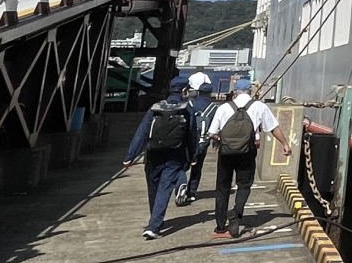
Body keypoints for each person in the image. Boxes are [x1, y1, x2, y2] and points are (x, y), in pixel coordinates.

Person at [205, 82, 291, 239]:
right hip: (247, 152)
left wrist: (224, 140)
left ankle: (220, 226)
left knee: (222, 188)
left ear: (235, 92)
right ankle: (236, 214)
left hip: (226, 153)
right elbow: (273, 127)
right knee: (244, 185)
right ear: (250, 91)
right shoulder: (259, 106)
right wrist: (285, 144)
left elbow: (212, 133)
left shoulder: (223, 107)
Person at [123, 79, 200, 239]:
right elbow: (192, 135)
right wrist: (193, 155)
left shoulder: (156, 108)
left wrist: (130, 156)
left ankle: (155, 219)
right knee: (165, 188)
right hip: (175, 155)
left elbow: (142, 132)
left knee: (153, 188)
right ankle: (154, 225)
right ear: (184, 90)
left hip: (153, 154)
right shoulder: (186, 109)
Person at [175, 73, 220, 206]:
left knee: (181, 165)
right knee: (197, 167)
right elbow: (216, 127)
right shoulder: (214, 108)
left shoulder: (189, 103)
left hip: (188, 140)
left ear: (198, 91)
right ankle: (191, 192)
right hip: (203, 141)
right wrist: (215, 143)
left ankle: (181, 183)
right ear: (210, 93)